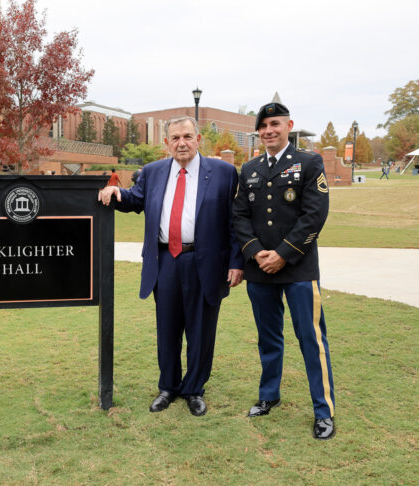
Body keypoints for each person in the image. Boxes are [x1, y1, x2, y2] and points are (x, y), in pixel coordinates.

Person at [98, 116, 243, 416]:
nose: (182, 143)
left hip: (205, 262)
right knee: (167, 328)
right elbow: (135, 200)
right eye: (175, 138)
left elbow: (235, 221)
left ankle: (194, 390)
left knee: (201, 330)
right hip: (164, 261)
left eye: (187, 136)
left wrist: (236, 261)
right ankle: (168, 387)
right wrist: (116, 193)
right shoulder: (152, 172)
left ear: (198, 139)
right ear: (166, 143)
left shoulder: (224, 173)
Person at [232, 102, 335, 440]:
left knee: (311, 340)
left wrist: (284, 254)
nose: (269, 131)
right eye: (262, 127)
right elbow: (240, 216)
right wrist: (253, 252)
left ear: (289, 125)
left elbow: (314, 215)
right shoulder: (249, 168)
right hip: (260, 270)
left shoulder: (309, 162)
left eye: (275, 124)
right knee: (269, 338)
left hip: (299, 270)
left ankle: (323, 412)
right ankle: (268, 396)